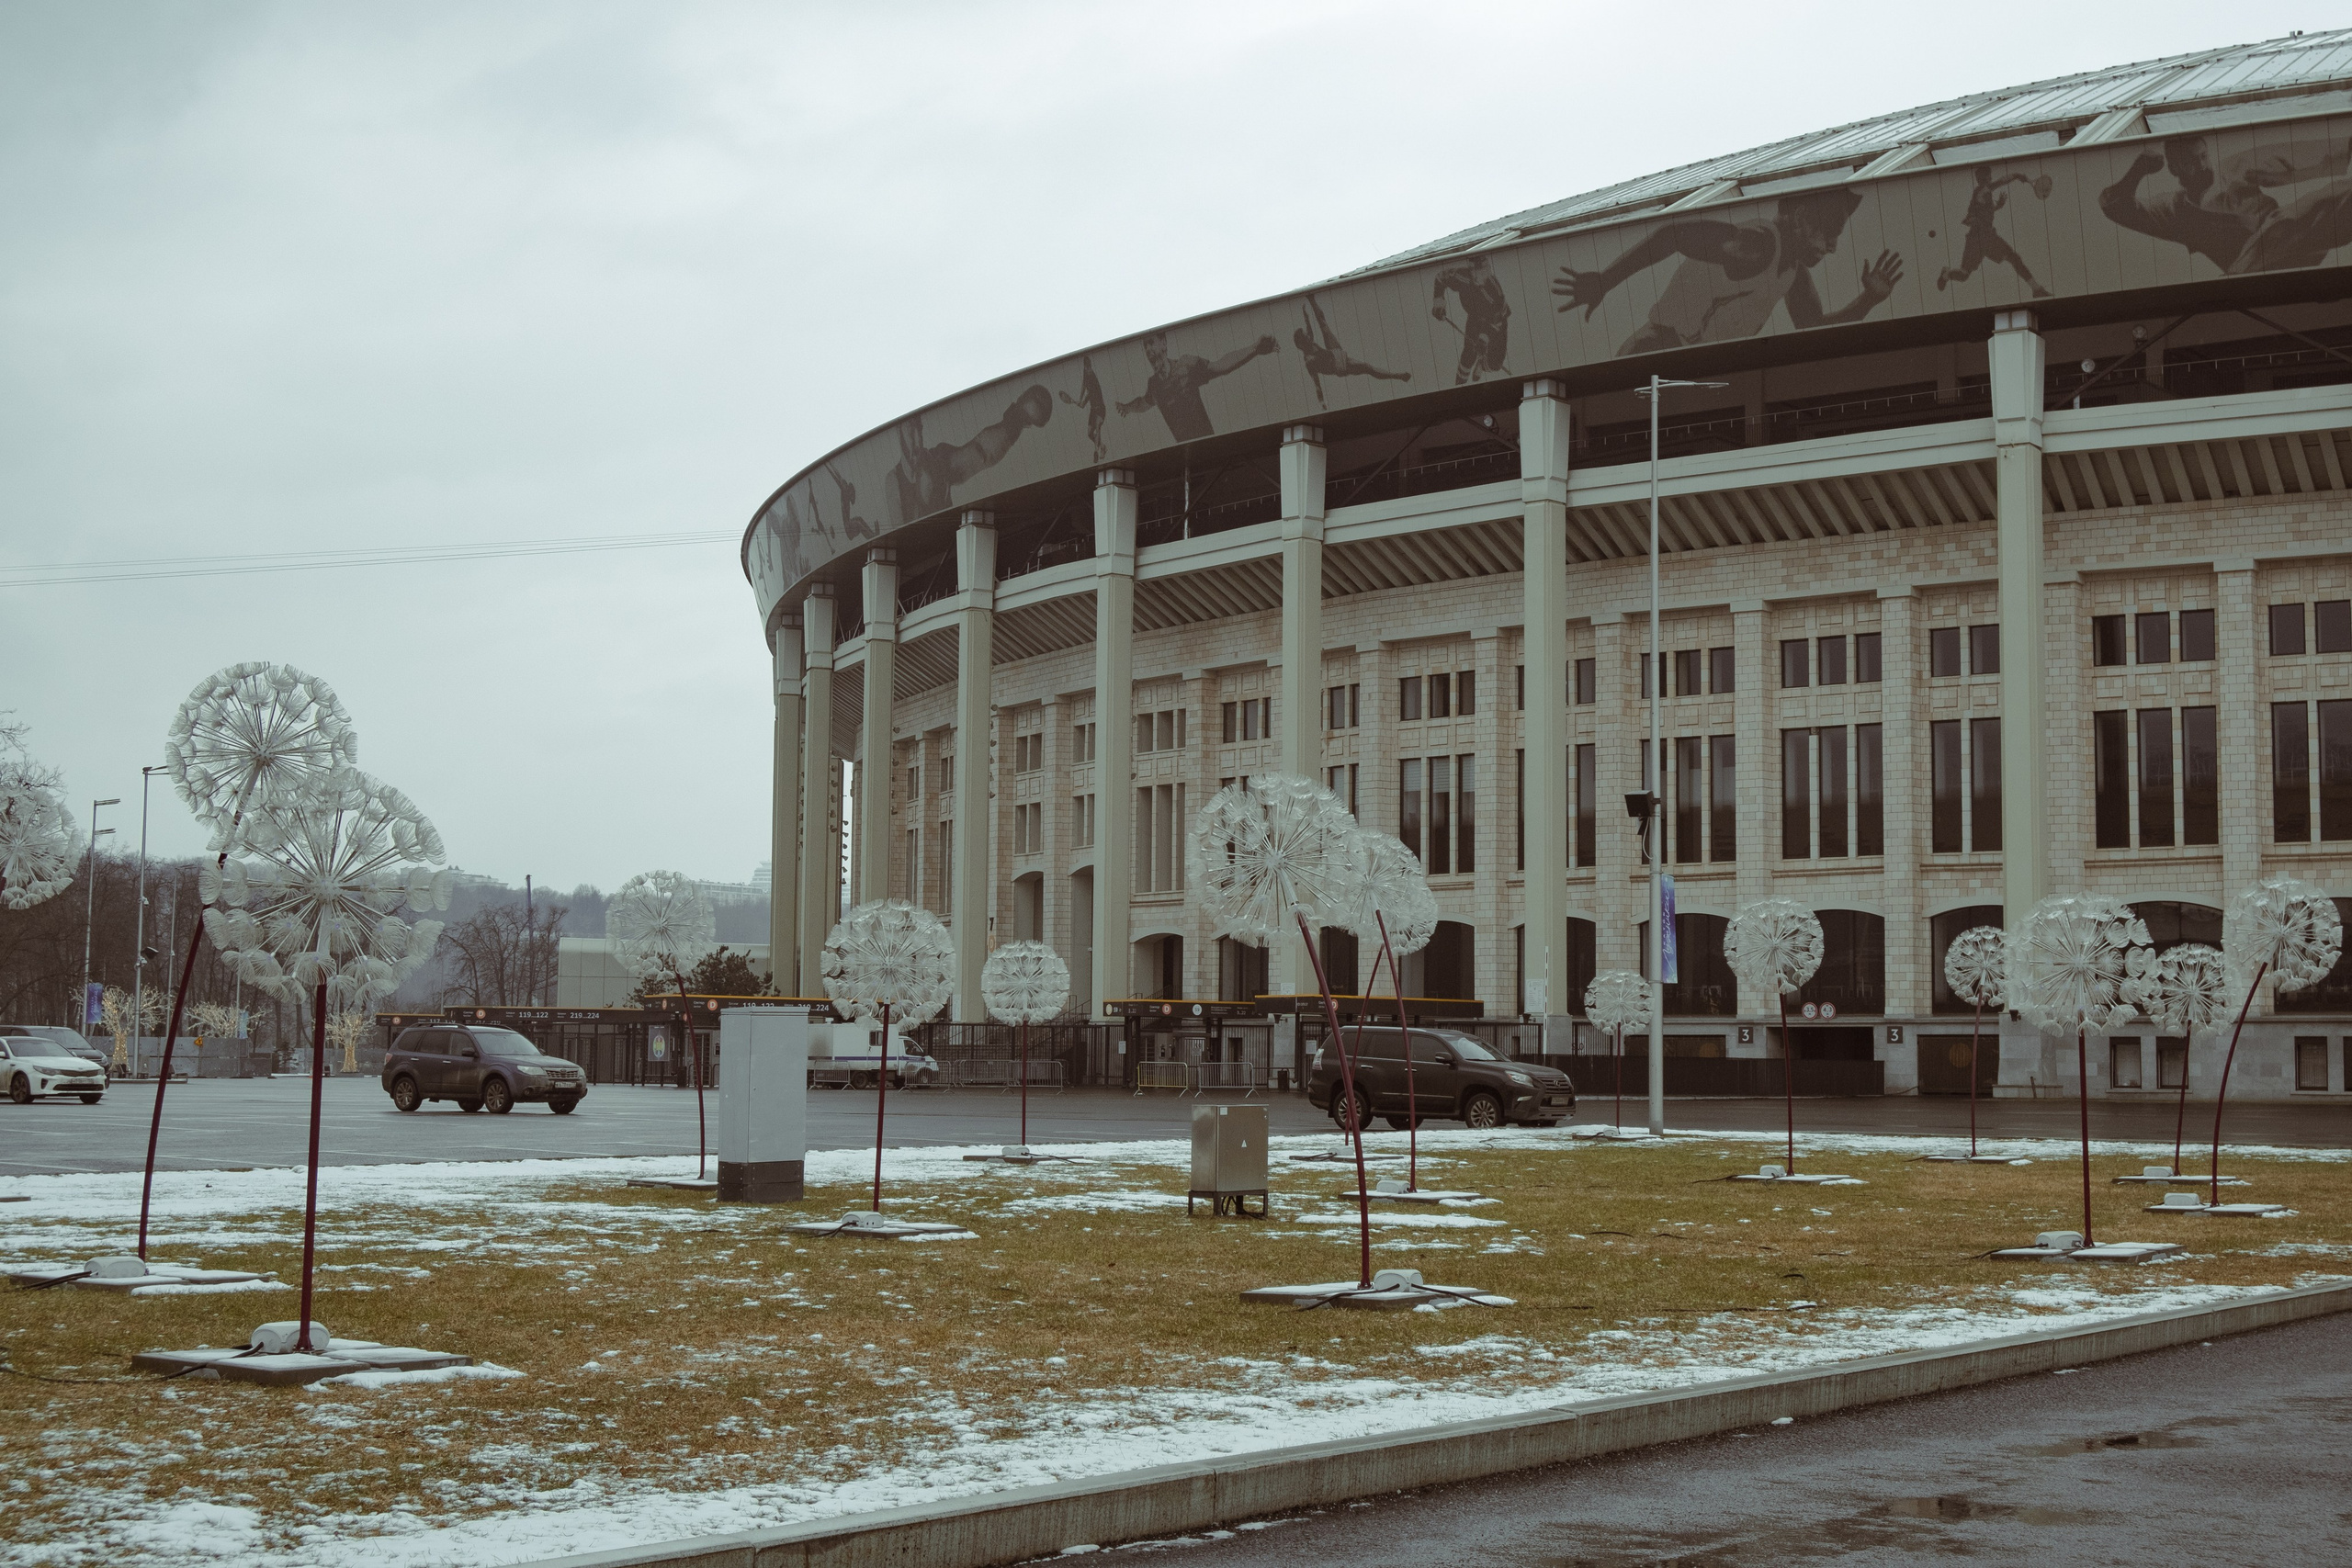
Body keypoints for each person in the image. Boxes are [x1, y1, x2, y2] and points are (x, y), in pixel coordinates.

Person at [1552, 188, 1903, 356]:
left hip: (1688, 367)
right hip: (1656, 352)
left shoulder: (1792, 272)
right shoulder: (1759, 244)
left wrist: (1869, 299)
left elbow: (1812, 328)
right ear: (1800, 219)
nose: (1831, 247)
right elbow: (1673, 235)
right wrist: (1604, 281)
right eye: (1829, 235)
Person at [2100, 133, 2352, 275]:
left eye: (2204, 156)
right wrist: (2137, 172)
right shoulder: (2171, 210)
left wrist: (2345, 148)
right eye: (2191, 161)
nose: (2202, 165)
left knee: (2330, 197)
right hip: (2249, 268)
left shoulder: (2231, 172)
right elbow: (2117, 209)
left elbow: (2285, 160)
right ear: (2174, 168)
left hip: (2290, 238)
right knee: (2284, 225)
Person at [887, 386, 1053, 525]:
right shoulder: (899, 480)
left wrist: (1015, 422)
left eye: (919, 430)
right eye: (910, 432)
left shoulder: (936, 462)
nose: (917, 439)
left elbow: (979, 452)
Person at [1116, 331, 1276, 444]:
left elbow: (1221, 366)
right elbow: (1143, 403)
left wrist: (1255, 348)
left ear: (1164, 342)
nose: (1148, 350)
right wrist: (1127, 408)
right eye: (1145, 346)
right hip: (1185, 450)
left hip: (1207, 445)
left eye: (1151, 343)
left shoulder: (1186, 365)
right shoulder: (1154, 385)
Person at [1938, 167, 2052, 297]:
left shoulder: (1982, 196)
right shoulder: (1981, 190)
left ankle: (1946, 275)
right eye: (1987, 177)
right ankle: (2036, 289)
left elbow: (1984, 212)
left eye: (1989, 177)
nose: (1990, 179)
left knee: (1964, 275)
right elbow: (2001, 182)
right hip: (1983, 237)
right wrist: (2017, 174)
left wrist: (1998, 206)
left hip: (1976, 239)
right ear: (1983, 179)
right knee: (2014, 259)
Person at [1293, 294, 1410, 406]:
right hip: (1337, 365)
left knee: (1323, 324)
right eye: (1306, 336)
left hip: (1333, 352)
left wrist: (1306, 312)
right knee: (1367, 368)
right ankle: (1397, 376)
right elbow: (1316, 384)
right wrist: (1321, 401)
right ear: (1302, 343)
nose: (1309, 336)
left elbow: (1310, 326)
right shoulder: (1309, 361)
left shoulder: (1310, 342)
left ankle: (1312, 299)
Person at [1430, 255, 1510, 384]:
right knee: (1469, 352)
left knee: (1495, 364)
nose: (1481, 279)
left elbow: (1496, 321)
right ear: (1471, 271)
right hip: (1475, 317)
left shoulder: (1495, 293)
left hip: (1497, 322)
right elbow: (1440, 278)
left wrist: (1483, 340)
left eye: (1484, 274)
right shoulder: (1462, 277)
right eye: (1477, 274)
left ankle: (1482, 364)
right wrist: (1438, 303)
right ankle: (1459, 384)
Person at [1058, 355, 1108, 462]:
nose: (1088, 369)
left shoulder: (1093, 380)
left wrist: (1082, 402)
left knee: (1097, 427)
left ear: (1090, 367)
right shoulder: (1086, 373)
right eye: (1087, 368)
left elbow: (1088, 395)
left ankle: (1096, 451)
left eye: (1089, 368)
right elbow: (1083, 386)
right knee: (1089, 433)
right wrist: (1079, 399)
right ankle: (1102, 446)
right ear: (1085, 367)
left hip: (1100, 409)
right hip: (1093, 410)